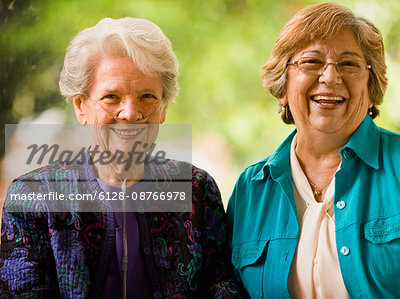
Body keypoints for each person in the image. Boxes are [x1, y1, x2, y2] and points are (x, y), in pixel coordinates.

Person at [0, 17, 246, 298]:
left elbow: (220, 283)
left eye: (147, 96)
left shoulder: (197, 188)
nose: (130, 113)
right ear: (81, 107)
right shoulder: (33, 196)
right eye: (111, 97)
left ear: (164, 108)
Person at [227, 2, 400, 298]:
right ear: (283, 86)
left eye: (348, 64)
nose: (330, 78)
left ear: (371, 90)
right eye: (311, 62)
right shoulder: (250, 190)